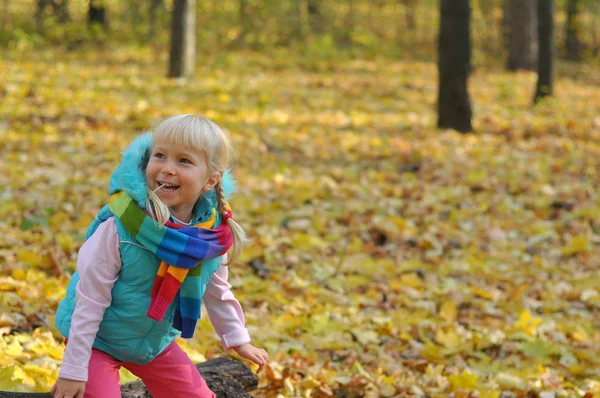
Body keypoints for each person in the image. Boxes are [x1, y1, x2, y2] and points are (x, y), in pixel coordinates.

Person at [51, 115, 268, 398]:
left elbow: (217, 290)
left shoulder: (209, 237)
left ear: (210, 180)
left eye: (184, 161)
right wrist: (74, 369)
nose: (167, 169)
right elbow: (89, 298)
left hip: (152, 343)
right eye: (160, 156)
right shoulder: (121, 225)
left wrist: (239, 339)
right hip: (97, 341)